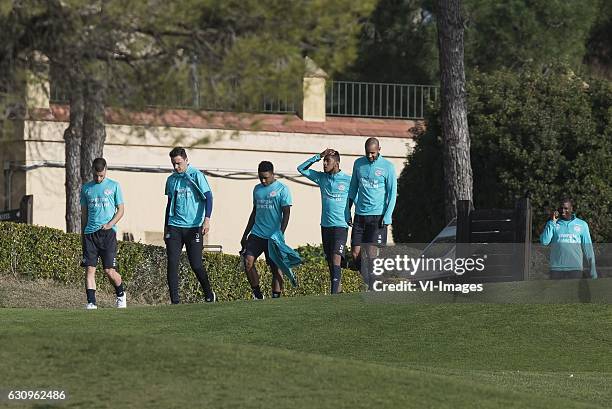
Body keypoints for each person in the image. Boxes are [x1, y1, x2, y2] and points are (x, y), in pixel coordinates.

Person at [164, 147, 216, 304]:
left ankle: (209, 293)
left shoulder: (196, 175)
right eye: (173, 164)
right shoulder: (171, 180)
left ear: (186, 160)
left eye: (179, 163)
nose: (176, 167)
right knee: (172, 262)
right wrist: (166, 226)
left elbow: (209, 197)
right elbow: (169, 203)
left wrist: (207, 219)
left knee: (196, 264)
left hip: (194, 226)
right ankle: (175, 301)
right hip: (174, 226)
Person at [298, 148, 351, 294]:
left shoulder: (348, 180)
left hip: (341, 226)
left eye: (328, 161)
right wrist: (318, 156)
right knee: (330, 262)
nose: (324, 164)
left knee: (336, 259)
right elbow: (301, 168)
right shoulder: (321, 178)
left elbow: (356, 199)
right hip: (325, 226)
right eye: (324, 161)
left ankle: (333, 296)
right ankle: (338, 291)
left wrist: (353, 217)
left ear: (337, 163)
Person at [348, 137, 397, 285]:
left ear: (379, 150)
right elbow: (352, 189)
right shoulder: (358, 164)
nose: (370, 156)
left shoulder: (388, 167)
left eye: (373, 153)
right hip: (360, 215)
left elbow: (392, 193)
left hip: (378, 216)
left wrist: (387, 216)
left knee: (371, 253)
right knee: (355, 253)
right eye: (367, 153)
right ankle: (367, 280)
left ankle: (373, 285)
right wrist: (347, 211)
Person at [240, 161, 292, 299]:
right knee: (248, 262)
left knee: (276, 269)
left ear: (272, 174)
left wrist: (280, 234)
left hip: (273, 236)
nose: (263, 180)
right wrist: (245, 234)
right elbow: (255, 211)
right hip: (257, 234)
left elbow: (286, 213)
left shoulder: (282, 189)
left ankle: (275, 298)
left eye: (266, 177)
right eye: (260, 177)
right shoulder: (257, 189)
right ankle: (258, 295)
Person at [80, 158, 126, 309]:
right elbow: (84, 215)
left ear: (105, 170)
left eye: (101, 176)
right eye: (96, 176)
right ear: (92, 170)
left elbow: (121, 210)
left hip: (108, 234)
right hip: (90, 235)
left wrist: (110, 224)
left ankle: (120, 294)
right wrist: (83, 233)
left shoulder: (114, 186)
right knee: (90, 269)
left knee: (109, 271)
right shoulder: (86, 188)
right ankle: (91, 302)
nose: (98, 178)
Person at [540, 198, 597, 279]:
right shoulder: (552, 224)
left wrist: (593, 271)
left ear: (571, 209)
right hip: (556, 269)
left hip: (575, 269)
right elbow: (544, 242)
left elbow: (588, 249)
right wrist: (551, 223)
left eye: (566, 208)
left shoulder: (582, 225)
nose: (563, 211)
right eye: (561, 208)